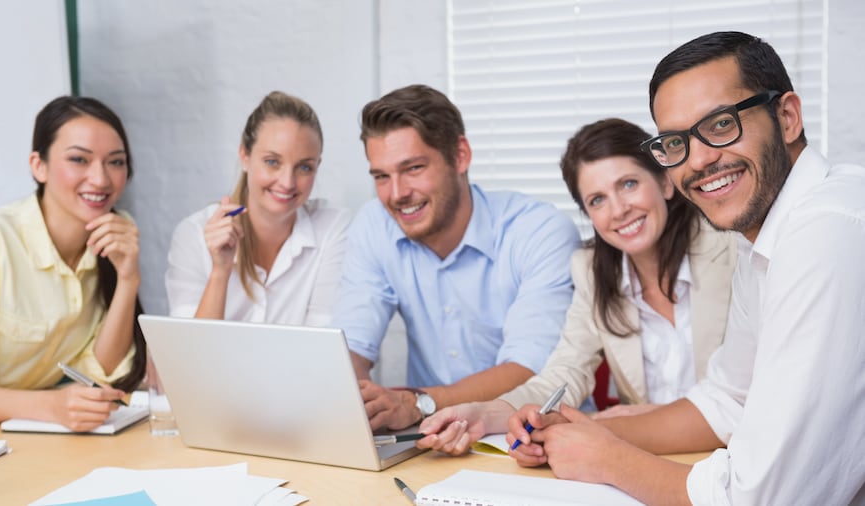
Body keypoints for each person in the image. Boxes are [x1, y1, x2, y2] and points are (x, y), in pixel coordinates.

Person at [507, 31, 865, 505]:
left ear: (787, 117)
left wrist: (610, 459)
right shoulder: (765, 236)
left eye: (720, 125)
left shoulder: (825, 232)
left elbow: (763, 497)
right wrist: (587, 430)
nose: (699, 160)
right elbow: (727, 399)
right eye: (677, 142)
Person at [416, 118, 736, 455]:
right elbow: (563, 375)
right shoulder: (592, 272)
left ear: (665, 182)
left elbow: (761, 390)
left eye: (628, 184)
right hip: (648, 458)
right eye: (597, 200)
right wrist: (483, 414)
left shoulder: (731, 249)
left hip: (742, 457)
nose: (619, 209)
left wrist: (654, 417)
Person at [331, 84, 582, 431]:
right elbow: (350, 350)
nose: (397, 193)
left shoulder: (539, 231)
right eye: (381, 177)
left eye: (414, 168)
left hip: (534, 433)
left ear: (460, 155)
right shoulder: (374, 226)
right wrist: (350, 399)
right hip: (430, 440)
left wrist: (418, 404)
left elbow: (530, 367)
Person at [0, 96, 146, 432]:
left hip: (31, 440)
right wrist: (50, 406)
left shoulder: (113, 239)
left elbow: (101, 370)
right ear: (39, 166)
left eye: (115, 162)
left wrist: (129, 279)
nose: (101, 179)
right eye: (79, 159)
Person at [165, 91, 349, 326]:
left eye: (304, 167)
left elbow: (325, 343)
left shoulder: (331, 228)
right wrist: (220, 272)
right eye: (272, 162)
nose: (287, 182)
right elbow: (188, 356)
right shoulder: (193, 234)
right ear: (245, 156)